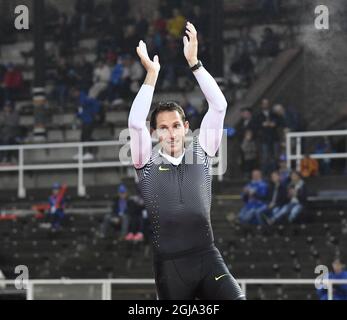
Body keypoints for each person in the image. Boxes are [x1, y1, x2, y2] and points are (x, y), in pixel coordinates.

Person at [128, 22, 245, 300]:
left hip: (208, 258)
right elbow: (134, 122)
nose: (171, 132)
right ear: (155, 133)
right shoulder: (146, 163)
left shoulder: (202, 152)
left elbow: (219, 106)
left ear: (186, 127)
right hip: (170, 267)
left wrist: (194, 63)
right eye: (164, 127)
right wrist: (152, 75)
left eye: (176, 125)